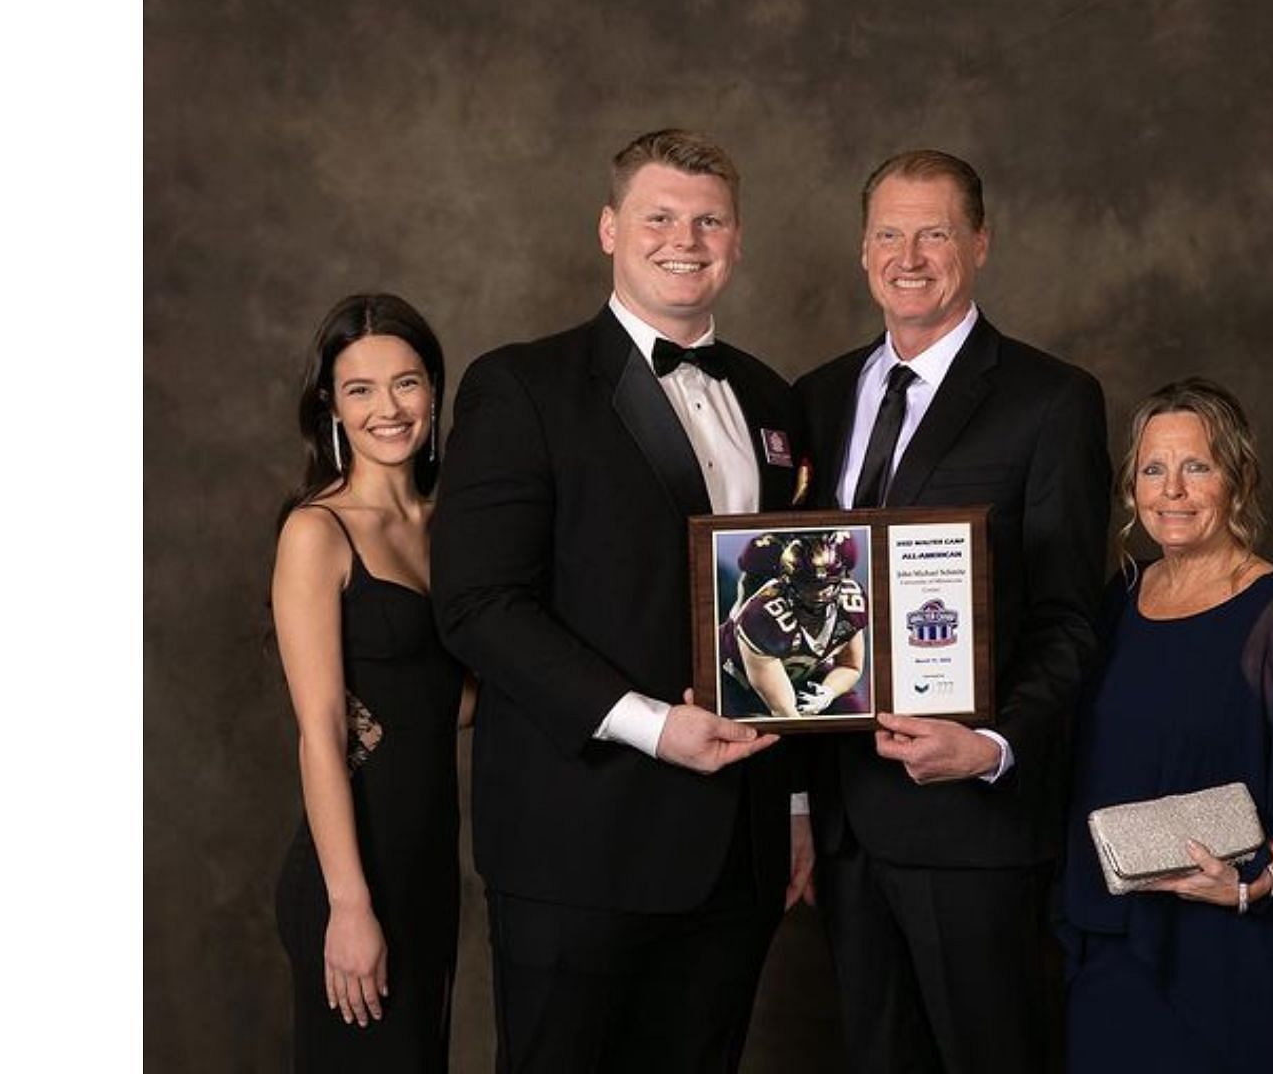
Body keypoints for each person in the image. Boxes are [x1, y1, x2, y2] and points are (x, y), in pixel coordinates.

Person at [430, 129, 808, 1073]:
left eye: (708, 218)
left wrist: (796, 805)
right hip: (578, 842)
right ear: (609, 230)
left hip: (740, 846)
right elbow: (478, 604)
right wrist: (648, 725)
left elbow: (803, 603)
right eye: (659, 216)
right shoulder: (521, 386)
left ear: (737, 238)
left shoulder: (770, 397)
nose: (685, 237)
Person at [792, 149, 1111, 1072]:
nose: (910, 254)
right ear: (862, 251)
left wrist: (997, 745)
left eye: (934, 231)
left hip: (975, 824)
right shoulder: (816, 398)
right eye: (889, 233)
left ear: (979, 242)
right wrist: (800, 807)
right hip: (849, 827)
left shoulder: (1050, 400)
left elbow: (1069, 619)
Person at [1061, 377, 1273, 1073]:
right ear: (1131, 488)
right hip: (1111, 942)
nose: (1171, 490)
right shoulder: (1120, 596)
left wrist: (1253, 883)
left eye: (1196, 467)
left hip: (1222, 950)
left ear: (1236, 480)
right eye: (1153, 469)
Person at [271, 292, 472, 1071]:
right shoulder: (316, 532)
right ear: (332, 406)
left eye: (407, 383)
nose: (388, 409)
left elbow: (440, 703)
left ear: (433, 390)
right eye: (361, 389)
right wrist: (350, 906)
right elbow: (320, 730)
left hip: (429, 861)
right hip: (349, 874)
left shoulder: (447, 522)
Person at [717, 531, 869, 718]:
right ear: (788, 583)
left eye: (827, 586)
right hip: (737, 677)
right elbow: (784, 711)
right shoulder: (762, 617)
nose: (821, 595)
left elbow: (851, 667)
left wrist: (828, 692)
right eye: (810, 587)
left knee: (852, 714)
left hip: (804, 668)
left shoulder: (851, 601)